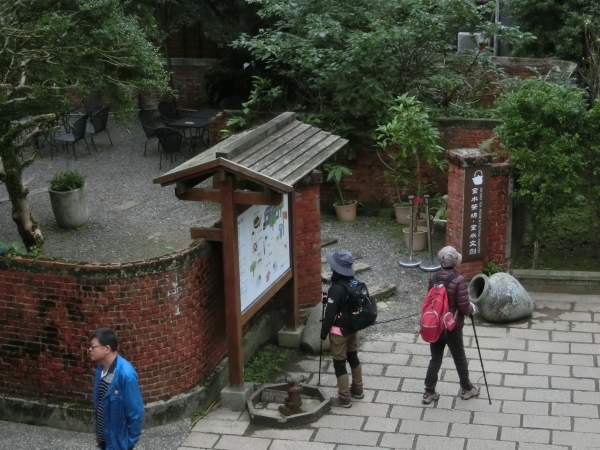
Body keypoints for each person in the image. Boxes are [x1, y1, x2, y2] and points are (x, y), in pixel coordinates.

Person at [422, 246, 480, 404]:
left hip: (435, 326)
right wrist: (472, 309)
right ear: (455, 263)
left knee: (435, 359)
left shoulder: (433, 278)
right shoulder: (459, 280)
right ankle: (467, 389)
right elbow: (463, 307)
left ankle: (429, 392)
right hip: (452, 327)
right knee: (459, 359)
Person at [320, 249, 364, 408]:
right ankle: (358, 389)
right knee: (353, 357)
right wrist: (329, 298)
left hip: (339, 332)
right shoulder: (355, 283)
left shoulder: (335, 288)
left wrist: (323, 333)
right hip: (353, 328)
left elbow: (330, 314)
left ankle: (344, 397)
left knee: (340, 363)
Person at [89, 328, 144, 450]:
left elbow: (136, 412)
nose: (90, 349)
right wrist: (98, 431)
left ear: (107, 348)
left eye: (93, 346)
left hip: (119, 444)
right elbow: (100, 405)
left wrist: (127, 444)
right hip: (105, 442)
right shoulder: (100, 369)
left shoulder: (126, 375)